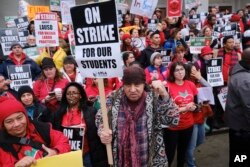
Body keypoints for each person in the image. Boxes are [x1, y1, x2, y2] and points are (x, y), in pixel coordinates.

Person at [96, 66, 180, 166]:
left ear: (143, 84)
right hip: (120, 161)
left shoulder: (154, 98)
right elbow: (100, 118)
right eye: (128, 85)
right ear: (123, 84)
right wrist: (103, 132)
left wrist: (164, 95)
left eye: (137, 85)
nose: (132, 90)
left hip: (149, 161)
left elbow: (173, 121)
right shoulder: (113, 98)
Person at [0, 99, 71, 167]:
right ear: (3, 125)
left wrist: (55, 151)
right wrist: (16, 166)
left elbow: (63, 141)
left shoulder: (40, 128)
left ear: (25, 116)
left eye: (19, 118)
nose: (17, 124)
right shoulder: (2, 145)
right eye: (9, 121)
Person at [53, 82, 108, 167]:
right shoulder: (58, 113)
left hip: (87, 154)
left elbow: (98, 133)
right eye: (68, 93)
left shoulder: (91, 111)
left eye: (74, 93)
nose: (71, 95)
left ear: (80, 95)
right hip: (67, 156)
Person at [164, 62, 198, 167]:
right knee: (169, 154)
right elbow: (165, 109)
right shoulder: (167, 86)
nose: (180, 72)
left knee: (182, 153)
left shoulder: (191, 84)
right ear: (172, 73)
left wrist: (194, 107)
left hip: (188, 125)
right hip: (172, 127)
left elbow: (196, 103)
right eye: (177, 70)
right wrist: (185, 108)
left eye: (182, 69)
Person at [225, 48, 250, 167]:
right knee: (241, 158)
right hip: (243, 129)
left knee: (237, 157)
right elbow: (249, 106)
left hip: (237, 127)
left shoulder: (240, 72)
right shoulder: (245, 80)